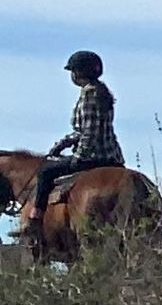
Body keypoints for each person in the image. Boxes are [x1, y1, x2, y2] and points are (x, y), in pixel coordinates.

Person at [21, 50, 120, 244]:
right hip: (113, 156)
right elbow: (85, 130)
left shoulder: (89, 93)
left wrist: (78, 156)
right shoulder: (102, 91)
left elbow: (89, 132)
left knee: (45, 172)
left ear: (78, 73)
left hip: (92, 156)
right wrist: (63, 143)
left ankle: (35, 219)